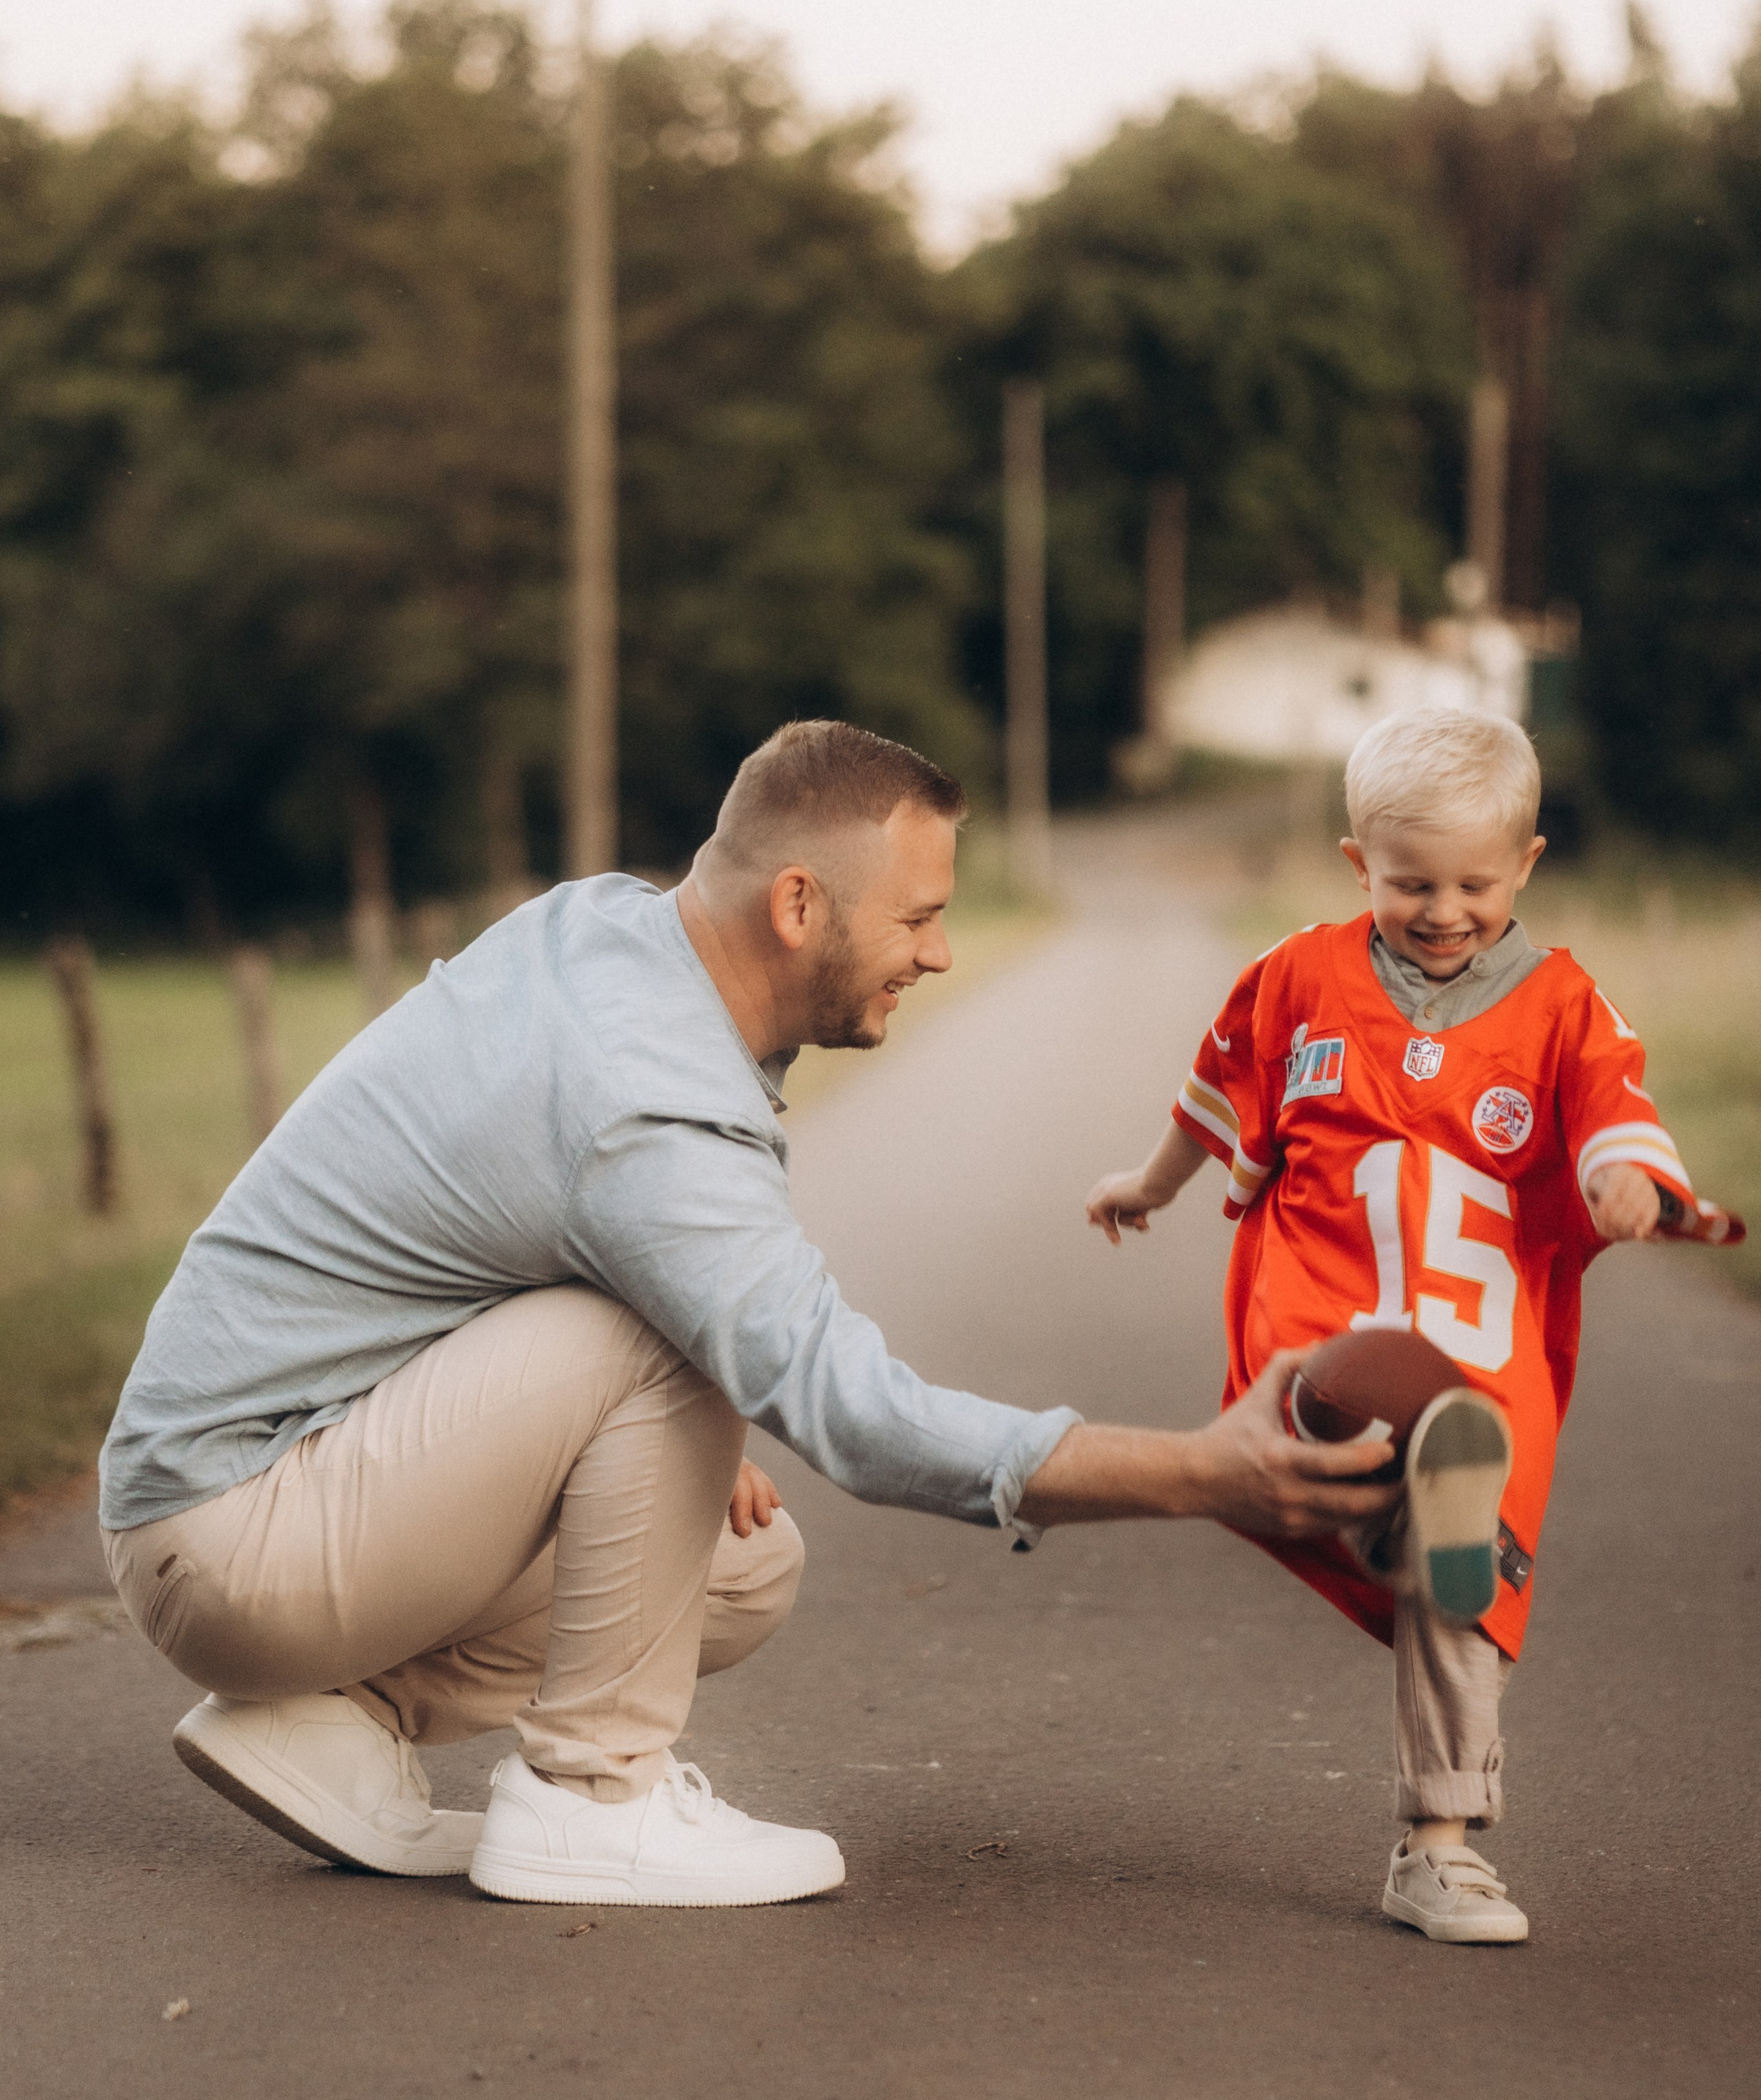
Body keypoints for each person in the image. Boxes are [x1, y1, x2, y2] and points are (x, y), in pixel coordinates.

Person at [101, 719, 1395, 1910]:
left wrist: (646, 1446)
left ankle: (337, 1719)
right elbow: (856, 1414)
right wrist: (1205, 1474)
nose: (940, 951)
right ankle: (591, 1799)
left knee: (740, 1571)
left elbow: (528, 1218)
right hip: (233, 1529)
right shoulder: (649, 1108)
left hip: (284, 1496)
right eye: (921, 917)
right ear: (796, 906)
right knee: (676, 1343)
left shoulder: (610, 930)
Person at [1084, 706, 1740, 1945]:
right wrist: (1153, 1182)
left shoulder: (1562, 1007)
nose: (1443, 910)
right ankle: (1365, 1494)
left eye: (1474, 884)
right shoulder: (1299, 977)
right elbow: (1220, 1085)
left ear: (1529, 866)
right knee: (1352, 1436)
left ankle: (1438, 1850)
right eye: (1409, 883)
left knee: (1463, 1579)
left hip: (1486, 1383)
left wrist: (1629, 1181)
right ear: (1358, 866)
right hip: (1323, 1334)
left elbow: (1617, 1111)